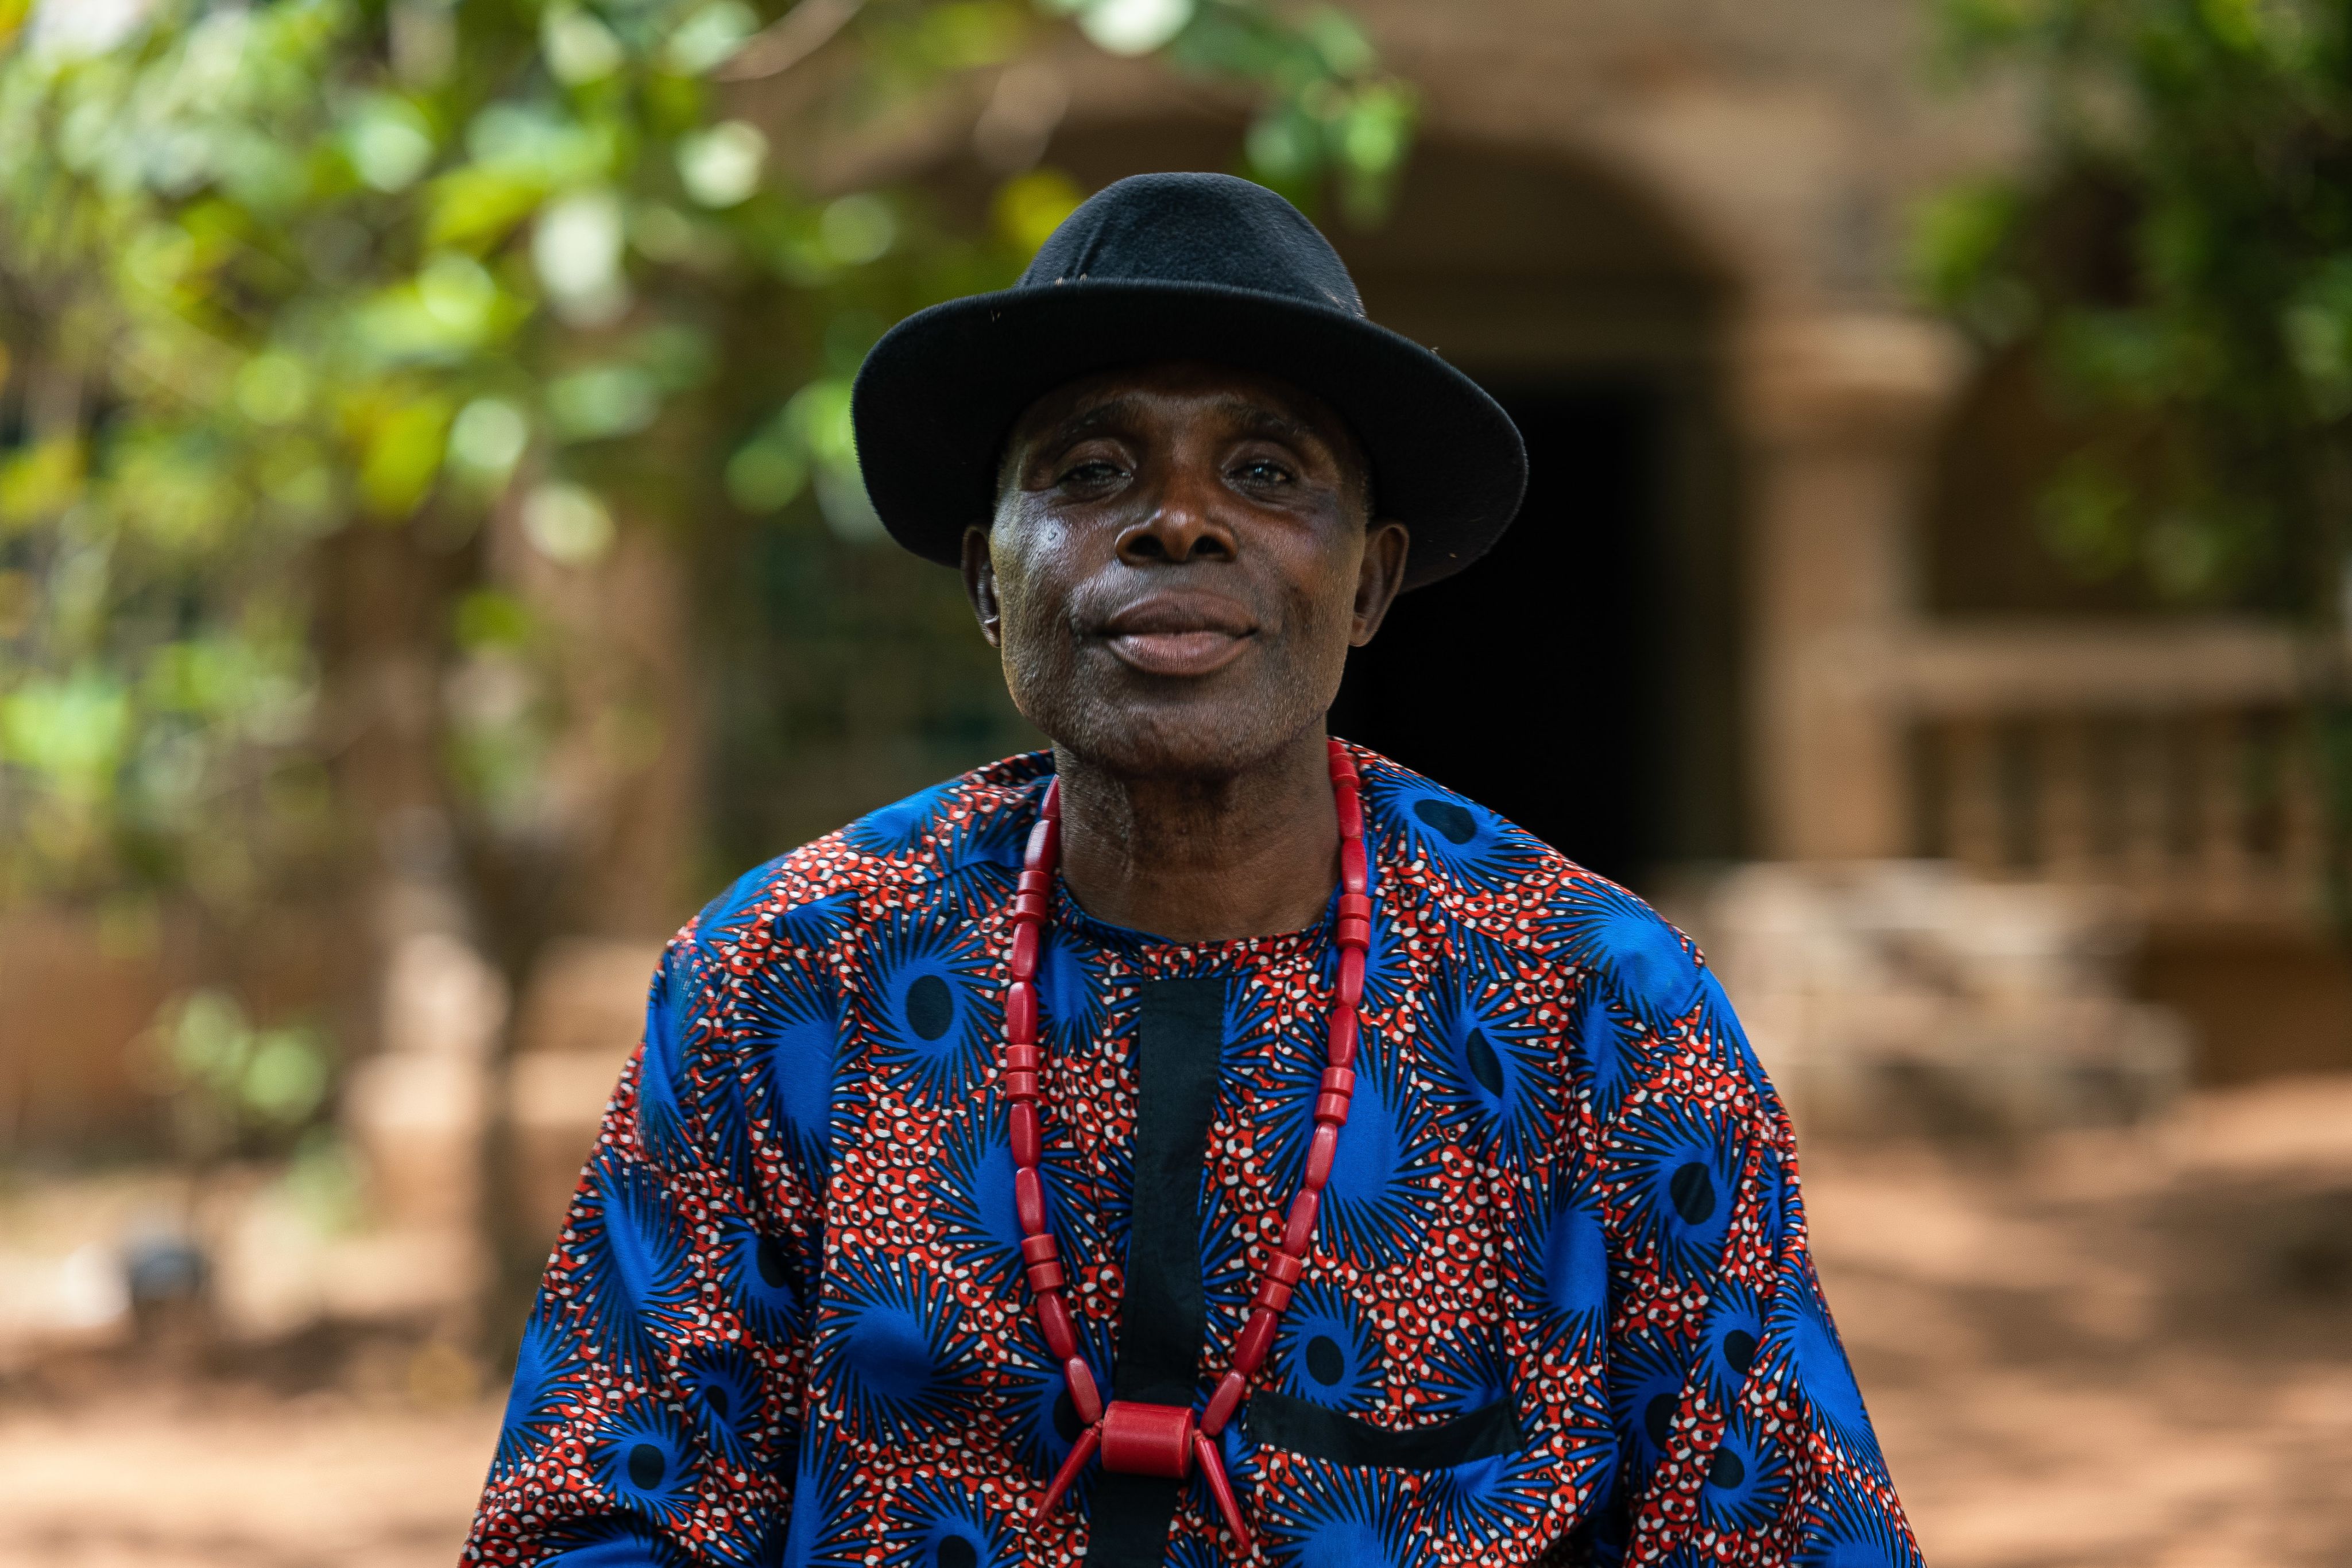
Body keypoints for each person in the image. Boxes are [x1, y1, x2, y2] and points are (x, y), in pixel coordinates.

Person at [464, 172, 1919, 1568]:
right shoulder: (789, 979)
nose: (1177, 518)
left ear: (1368, 582)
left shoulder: (1591, 1005)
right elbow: (598, 1511)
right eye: (1091, 471)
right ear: (988, 584)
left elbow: (1775, 1522)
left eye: (1264, 470)